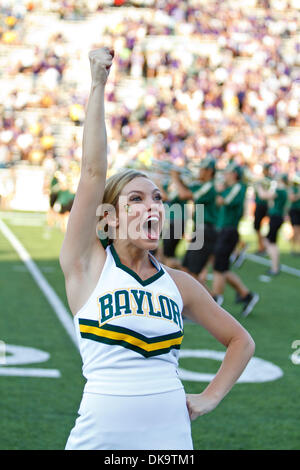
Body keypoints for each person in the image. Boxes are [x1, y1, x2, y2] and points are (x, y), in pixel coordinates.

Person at [60, 48, 255, 450]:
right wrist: (98, 84)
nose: (152, 207)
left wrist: (209, 397)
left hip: (171, 442)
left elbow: (241, 342)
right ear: (109, 218)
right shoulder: (87, 267)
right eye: (136, 199)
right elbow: (94, 171)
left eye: (158, 198)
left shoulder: (180, 285)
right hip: (99, 442)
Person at [211, 163, 259, 316]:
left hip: (229, 230)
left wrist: (219, 191)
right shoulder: (231, 188)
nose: (224, 174)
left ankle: (214, 304)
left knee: (219, 267)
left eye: (228, 172)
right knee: (222, 267)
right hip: (224, 230)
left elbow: (221, 201)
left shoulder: (237, 187)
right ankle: (246, 295)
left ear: (234, 174)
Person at [171, 157, 218, 289]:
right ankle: (209, 303)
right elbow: (186, 190)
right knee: (187, 270)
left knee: (192, 274)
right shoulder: (202, 185)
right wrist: (179, 179)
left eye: (202, 169)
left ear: (209, 171)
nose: (199, 172)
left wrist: (175, 178)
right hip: (200, 229)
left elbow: (184, 195)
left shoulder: (209, 186)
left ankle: (211, 304)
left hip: (206, 231)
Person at [257, 173, 288, 275]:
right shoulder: (283, 190)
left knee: (271, 243)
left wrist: (259, 186)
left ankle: (275, 268)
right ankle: (275, 265)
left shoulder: (280, 190)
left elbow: (263, 196)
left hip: (276, 217)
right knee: (270, 241)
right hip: (277, 217)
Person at [253, 163, 272, 254]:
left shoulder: (268, 181)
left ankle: (263, 246)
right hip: (262, 205)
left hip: (263, 205)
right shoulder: (264, 180)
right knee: (257, 226)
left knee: (259, 226)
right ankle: (262, 245)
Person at [288, 172, 300, 256]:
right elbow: (292, 198)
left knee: (298, 230)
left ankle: (297, 248)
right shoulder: (292, 188)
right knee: (295, 229)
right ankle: (293, 247)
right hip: (294, 210)